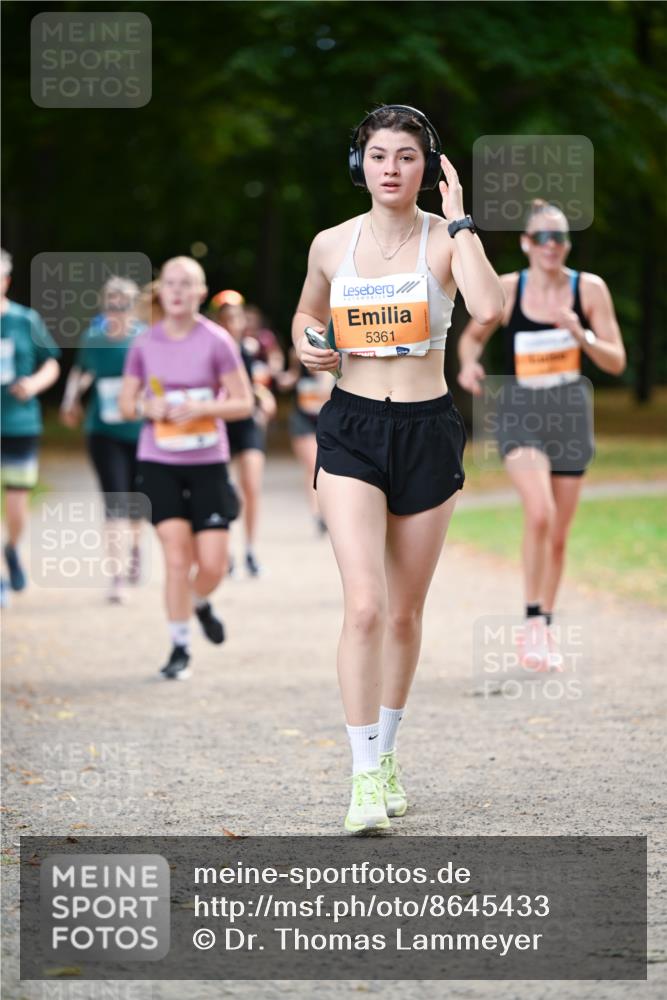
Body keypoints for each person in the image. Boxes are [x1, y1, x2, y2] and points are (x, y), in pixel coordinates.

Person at [291, 105, 504, 832]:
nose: (389, 168)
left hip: (426, 430)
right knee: (365, 606)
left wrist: (461, 220)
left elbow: (488, 304)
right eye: (377, 155)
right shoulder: (330, 244)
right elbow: (304, 318)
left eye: (405, 157)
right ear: (360, 167)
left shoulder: (445, 241)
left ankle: (385, 755)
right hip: (350, 428)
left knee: (406, 613)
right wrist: (309, 347)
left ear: (426, 167)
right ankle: (359, 778)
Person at [457, 199, 626, 667]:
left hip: (570, 413)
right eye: (544, 237)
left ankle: (543, 628)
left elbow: (617, 360)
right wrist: (470, 366)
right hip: (520, 410)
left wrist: (582, 336)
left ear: (567, 244)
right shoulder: (509, 289)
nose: (553, 246)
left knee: (558, 533)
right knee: (540, 512)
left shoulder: (588, 290)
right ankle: (532, 620)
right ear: (526, 243)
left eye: (561, 237)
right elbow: (472, 337)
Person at [119, 258, 254, 680]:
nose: (177, 291)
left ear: (200, 292)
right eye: (170, 284)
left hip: (208, 461)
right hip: (158, 461)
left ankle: (198, 601)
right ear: (161, 292)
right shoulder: (145, 344)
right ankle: (179, 646)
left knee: (212, 565)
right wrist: (148, 406)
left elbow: (244, 402)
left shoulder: (216, 341)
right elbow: (125, 405)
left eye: (186, 285)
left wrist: (202, 407)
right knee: (177, 559)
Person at [59, 276, 145, 604]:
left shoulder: (144, 339)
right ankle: (117, 575)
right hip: (103, 431)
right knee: (115, 501)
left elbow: (159, 377)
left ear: (132, 305)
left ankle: (135, 549)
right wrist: (70, 401)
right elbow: (81, 372)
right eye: (111, 301)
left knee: (137, 501)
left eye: (123, 301)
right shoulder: (93, 339)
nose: (117, 307)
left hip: (140, 431)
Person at [1, 248, 61, 604]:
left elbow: (51, 363)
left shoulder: (26, 320)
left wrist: (33, 385)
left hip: (20, 423)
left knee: (16, 507)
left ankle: (12, 548)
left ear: (5, 281)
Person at [212, 292, 277, 578]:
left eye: (237, 317)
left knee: (251, 485)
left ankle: (250, 550)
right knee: (223, 490)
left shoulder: (250, 348)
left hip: (247, 422)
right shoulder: (211, 349)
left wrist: (265, 396)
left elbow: (252, 384)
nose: (233, 323)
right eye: (227, 318)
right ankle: (225, 553)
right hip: (220, 422)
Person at [276, 348, 334, 534]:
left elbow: (327, 391)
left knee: (329, 468)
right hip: (302, 421)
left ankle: (329, 511)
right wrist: (282, 378)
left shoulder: (334, 360)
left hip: (326, 421)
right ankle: (318, 515)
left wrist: (324, 376)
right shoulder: (298, 357)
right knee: (313, 466)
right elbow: (290, 379)